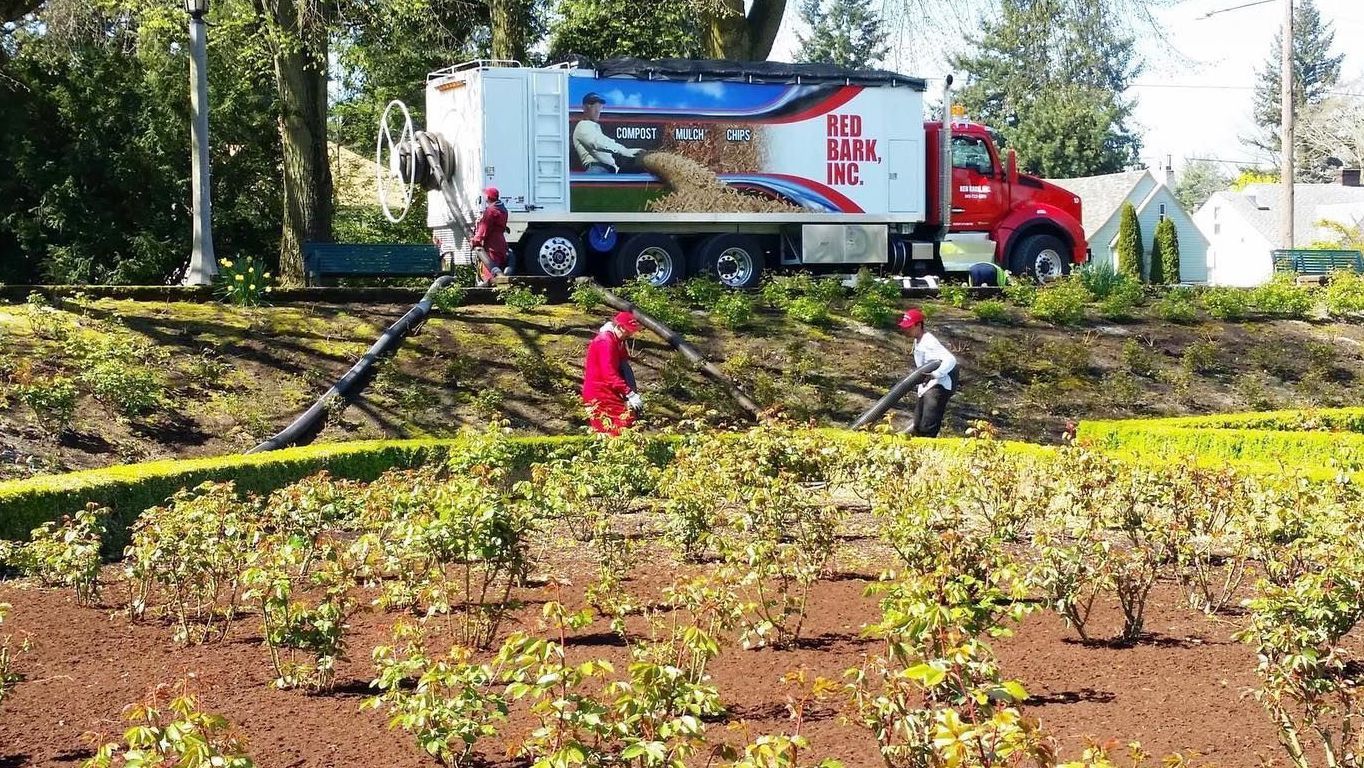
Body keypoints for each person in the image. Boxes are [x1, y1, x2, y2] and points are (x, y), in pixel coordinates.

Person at [582, 310, 644, 435]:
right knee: (619, 427)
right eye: (629, 330)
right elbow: (609, 374)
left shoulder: (617, 341)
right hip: (600, 394)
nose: (631, 334)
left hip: (608, 391)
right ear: (620, 327)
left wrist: (629, 393)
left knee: (626, 423)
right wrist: (629, 393)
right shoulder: (605, 342)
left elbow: (623, 364)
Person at [898, 308, 958, 437]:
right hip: (928, 385)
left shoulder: (929, 341)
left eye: (909, 327)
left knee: (927, 426)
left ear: (919, 325)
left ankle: (927, 447)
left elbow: (951, 360)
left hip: (939, 386)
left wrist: (936, 374)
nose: (906, 330)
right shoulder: (918, 340)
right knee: (918, 423)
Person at [572, 93, 643, 174]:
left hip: (609, 170)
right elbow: (597, 142)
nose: (597, 110)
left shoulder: (595, 128)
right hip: (597, 169)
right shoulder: (583, 125)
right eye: (592, 106)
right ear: (584, 107)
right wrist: (625, 151)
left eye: (599, 106)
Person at [471, 187, 509, 282]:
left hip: (492, 245)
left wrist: (475, 241)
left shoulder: (491, 211)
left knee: (490, 271)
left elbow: (484, 229)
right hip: (501, 243)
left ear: (488, 197)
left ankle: (490, 291)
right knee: (499, 267)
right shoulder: (503, 210)